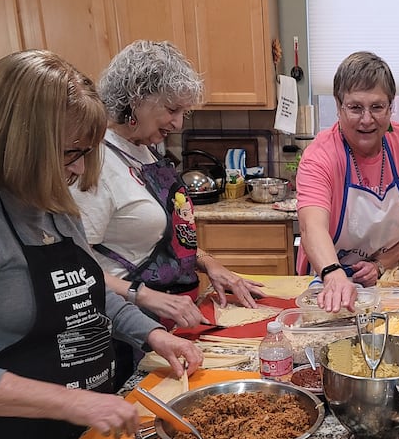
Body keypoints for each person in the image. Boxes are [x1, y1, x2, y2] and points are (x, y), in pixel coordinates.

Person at [0, 50, 204, 439]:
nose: (78, 170)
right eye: (71, 153)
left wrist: (153, 336)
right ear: (22, 142)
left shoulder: (53, 206)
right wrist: (74, 401)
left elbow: (86, 294)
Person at [71, 40, 264, 385]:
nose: (177, 123)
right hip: (127, 331)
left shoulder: (145, 151)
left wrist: (209, 263)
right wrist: (141, 295)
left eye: (183, 113)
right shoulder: (95, 164)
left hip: (172, 321)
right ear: (135, 99)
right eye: (172, 109)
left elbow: (165, 233)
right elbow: (75, 268)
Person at [295, 51, 399, 312]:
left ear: (391, 107)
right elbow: (312, 228)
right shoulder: (320, 155)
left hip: (391, 283)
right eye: (355, 107)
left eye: (377, 107)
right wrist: (334, 275)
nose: (367, 119)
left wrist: (381, 265)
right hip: (326, 282)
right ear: (338, 106)